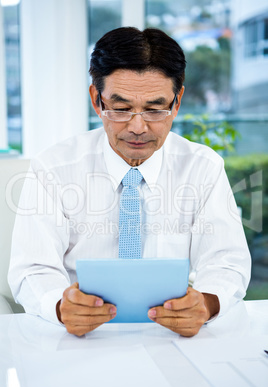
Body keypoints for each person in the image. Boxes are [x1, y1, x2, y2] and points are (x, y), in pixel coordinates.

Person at [8, 27, 251, 337]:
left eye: (155, 109)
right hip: (79, 337)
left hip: (171, 336)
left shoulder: (203, 167)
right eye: (121, 109)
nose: (138, 127)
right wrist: (59, 306)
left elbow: (226, 261)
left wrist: (206, 303)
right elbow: (33, 268)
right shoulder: (53, 168)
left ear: (177, 102)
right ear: (97, 100)